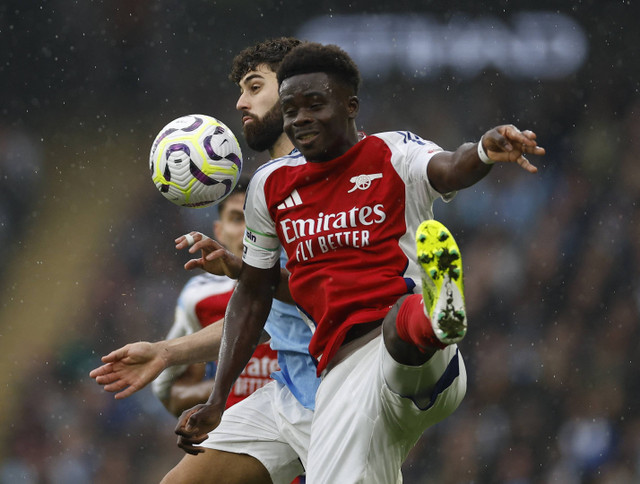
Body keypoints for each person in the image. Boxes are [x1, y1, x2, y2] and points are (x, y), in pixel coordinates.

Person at [175, 42, 546, 483]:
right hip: (338, 370)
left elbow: (449, 167)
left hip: (405, 353)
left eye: (315, 104)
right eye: (291, 109)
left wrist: (484, 151)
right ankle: (430, 313)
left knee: (396, 331)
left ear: (350, 105)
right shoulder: (268, 187)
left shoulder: (393, 152)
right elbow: (253, 294)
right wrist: (218, 398)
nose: (300, 118)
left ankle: (433, 314)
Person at [90, 38, 319, 484]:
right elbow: (261, 309)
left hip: (346, 388)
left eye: (254, 86)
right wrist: (165, 353)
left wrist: (242, 272)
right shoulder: (264, 190)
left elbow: (326, 292)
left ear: (294, 90)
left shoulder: (333, 174)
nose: (240, 102)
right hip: (294, 389)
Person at [151, 179, 280, 417]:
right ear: (219, 231)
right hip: (237, 439)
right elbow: (169, 390)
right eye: (237, 219)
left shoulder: (303, 284)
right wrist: (231, 388)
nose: (248, 231)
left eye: (258, 219)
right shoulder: (200, 296)